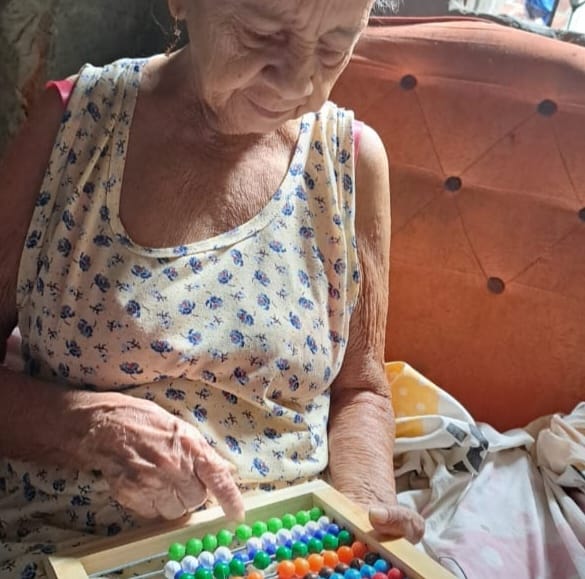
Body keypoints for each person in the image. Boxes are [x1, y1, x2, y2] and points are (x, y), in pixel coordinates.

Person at [0, 0, 425, 576]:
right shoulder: (73, 126)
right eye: (264, 33)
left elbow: (361, 389)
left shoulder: (349, 159)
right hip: (69, 548)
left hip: (284, 551)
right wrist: (87, 428)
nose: (299, 82)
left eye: (334, 47)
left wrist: (368, 514)